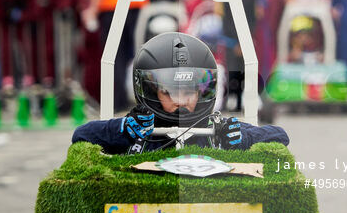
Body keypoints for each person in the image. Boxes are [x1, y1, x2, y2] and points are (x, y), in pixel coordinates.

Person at [72, 32, 288, 154]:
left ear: (204, 91)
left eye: (189, 92)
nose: (181, 101)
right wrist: (122, 130)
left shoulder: (215, 131)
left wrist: (243, 137)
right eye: (170, 93)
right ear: (149, 91)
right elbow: (81, 135)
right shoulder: (136, 130)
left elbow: (281, 136)